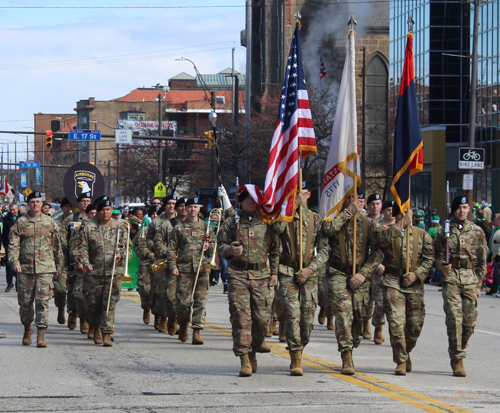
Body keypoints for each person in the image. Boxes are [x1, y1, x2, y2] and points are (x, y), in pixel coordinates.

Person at [217, 186, 279, 377]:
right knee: (241, 319)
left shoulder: (268, 223)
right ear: (241, 201)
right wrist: (229, 251)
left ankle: (255, 346)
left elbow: (275, 250)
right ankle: (244, 357)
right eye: (247, 199)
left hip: (262, 276)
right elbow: (219, 247)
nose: (250, 202)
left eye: (254, 199)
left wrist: (275, 273)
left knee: (262, 319)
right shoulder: (230, 223)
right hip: (238, 275)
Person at [322, 193, 381, 375]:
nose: (356, 203)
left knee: (358, 316)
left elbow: (378, 252)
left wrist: (363, 274)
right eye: (351, 199)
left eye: (359, 200)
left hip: (360, 275)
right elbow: (327, 230)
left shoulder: (368, 223)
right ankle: (346, 355)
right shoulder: (334, 219)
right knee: (343, 315)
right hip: (338, 273)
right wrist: (347, 213)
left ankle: (353, 342)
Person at [274, 184, 329, 375]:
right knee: (292, 314)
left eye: (302, 193)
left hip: (309, 274)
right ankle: (295, 357)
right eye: (295, 193)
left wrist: (310, 269)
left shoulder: (316, 220)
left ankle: (300, 344)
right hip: (287, 271)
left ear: (308, 194)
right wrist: (289, 209)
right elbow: (274, 234)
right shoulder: (284, 219)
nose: (299, 196)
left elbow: (324, 251)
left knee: (307, 320)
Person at [376, 204, 434, 375]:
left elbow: (429, 258)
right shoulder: (386, 231)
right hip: (392, 280)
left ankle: (406, 350)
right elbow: (379, 242)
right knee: (396, 322)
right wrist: (399, 226)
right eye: (402, 212)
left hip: (413, 284)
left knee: (415, 325)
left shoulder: (421, 234)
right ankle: (400, 360)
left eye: (408, 212)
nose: (406, 215)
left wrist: (417, 274)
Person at [434, 196, 487, 377]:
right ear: (453, 210)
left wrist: (479, 283)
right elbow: (436, 257)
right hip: (452, 278)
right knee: (454, 320)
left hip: (470, 279)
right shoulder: (444, 232)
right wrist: (442, 265)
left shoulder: (477, 231)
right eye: (459, 208)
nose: (462, 211)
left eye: (465, 207)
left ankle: (461, 346)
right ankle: (457, 358)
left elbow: (482, 259)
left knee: (469, 322)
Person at [8, 191, 64, 347]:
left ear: (42, 203)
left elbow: (57, 246)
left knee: (43, 302)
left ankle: (41, 334)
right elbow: (13, 245)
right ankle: (27, 328)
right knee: (25, 303)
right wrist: (15, 262)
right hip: (25, 269)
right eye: (32, 202)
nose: (36, 204)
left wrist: (59, 266)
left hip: (45, 269)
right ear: (28, 204)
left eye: (38, 202)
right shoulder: (21, 223)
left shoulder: (50, 222)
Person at [76, 199, 131, 347]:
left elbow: (128, 248)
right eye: (102, 210)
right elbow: (81, 249)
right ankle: (94, 325)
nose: (105, 212)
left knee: (109, 303)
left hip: (113, 273)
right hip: (94, 272)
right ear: (97, 211)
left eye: (108, 209)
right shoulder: (89, 227)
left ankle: (106, 332)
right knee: (93, 304)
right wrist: (86, 264)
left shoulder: (120, 227)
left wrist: (122, 255)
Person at [167, 198, 212, 345]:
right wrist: (172, 266)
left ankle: (197, 331)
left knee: (200, 301)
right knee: (183, 303)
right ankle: (184, 325)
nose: (193, 209)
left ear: (199, 209)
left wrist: (209, 247)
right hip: (184, 270)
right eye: (190, 207)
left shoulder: (206, 227)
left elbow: (216, 246)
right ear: (185, 209)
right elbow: (172, 249)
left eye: (195, 207)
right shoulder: (178, 228)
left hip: (202, 269)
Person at [63, 191, 93, 331]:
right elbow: (63, 239)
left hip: (89, 263)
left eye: (88, 201)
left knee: (84, 293)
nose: (85, 203)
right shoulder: (71, 219)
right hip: (73, 262)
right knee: (72, 291)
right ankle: (72, 313)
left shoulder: (95, 218)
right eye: (83, 201)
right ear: (78, 203)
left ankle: (84, 319)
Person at [370, 199, 397, 345]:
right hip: (380, 271)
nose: (391, 212)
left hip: (396, 272)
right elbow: (372, 249)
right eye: (388, 210)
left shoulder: (403, 228)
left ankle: (396, 333)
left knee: (395, 306)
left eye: (393, 210)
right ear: (383, 212)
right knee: (379, 303)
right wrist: (378, 266)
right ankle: (378, 329)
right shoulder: (377, 227)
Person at [134, 205, 159, 325]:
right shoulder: (144, 231)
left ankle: (159, 315)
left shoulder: (167, 229)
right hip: (146, 264)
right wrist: (149, 255)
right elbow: (138, 247)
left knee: (160, 291)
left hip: (162, 264)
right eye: (153, 214)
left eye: (158, 214)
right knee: (145, 290)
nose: (155, 216)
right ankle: (146, 308)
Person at [52, 197, 72, 324]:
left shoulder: (78, 221)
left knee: (75, 291)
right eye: (67, 206)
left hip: (75, 260)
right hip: (61, 260)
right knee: (60, 289)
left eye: (71, 206)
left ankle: (72, 314)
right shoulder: (55, 223)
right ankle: (60, 308)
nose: (69, 209)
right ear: (62, 208)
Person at [2, 202, 24, 292]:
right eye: (11, 210)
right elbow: (4, 232)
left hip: (21, 244)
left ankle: (18, 283)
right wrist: (3, 244)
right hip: (9, 243)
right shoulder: (6, 218)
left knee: (19, 264)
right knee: (8, 263)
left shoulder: (22, 217)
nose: (12, 211)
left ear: (17, 209)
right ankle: (9, 283)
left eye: (14, 210)